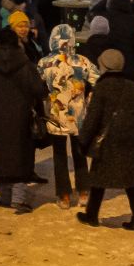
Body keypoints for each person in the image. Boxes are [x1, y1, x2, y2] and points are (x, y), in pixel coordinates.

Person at [73, 50, 134, 233]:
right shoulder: (131, 85)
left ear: (104, 65)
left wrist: (83, 140)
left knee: (99, 177)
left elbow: (93, 117)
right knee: (132, 181)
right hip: (129, 139)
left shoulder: (102, 86)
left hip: (108, 141)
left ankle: (91, 215)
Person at [0, 32, 48, 214]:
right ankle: (19, 199)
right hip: (21, 117)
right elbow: (39, 90)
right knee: (20, 154)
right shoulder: (25, 65)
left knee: (1, 154)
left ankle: (5, 197)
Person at [40, 25, 93, 210]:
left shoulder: (44, 63)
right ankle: (84, 191)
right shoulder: (83, 61)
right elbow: (98, 80)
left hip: (56, 115)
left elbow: (37, 86)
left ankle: (63, 195)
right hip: (79, 116)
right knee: (79, 154)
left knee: (59, 155)